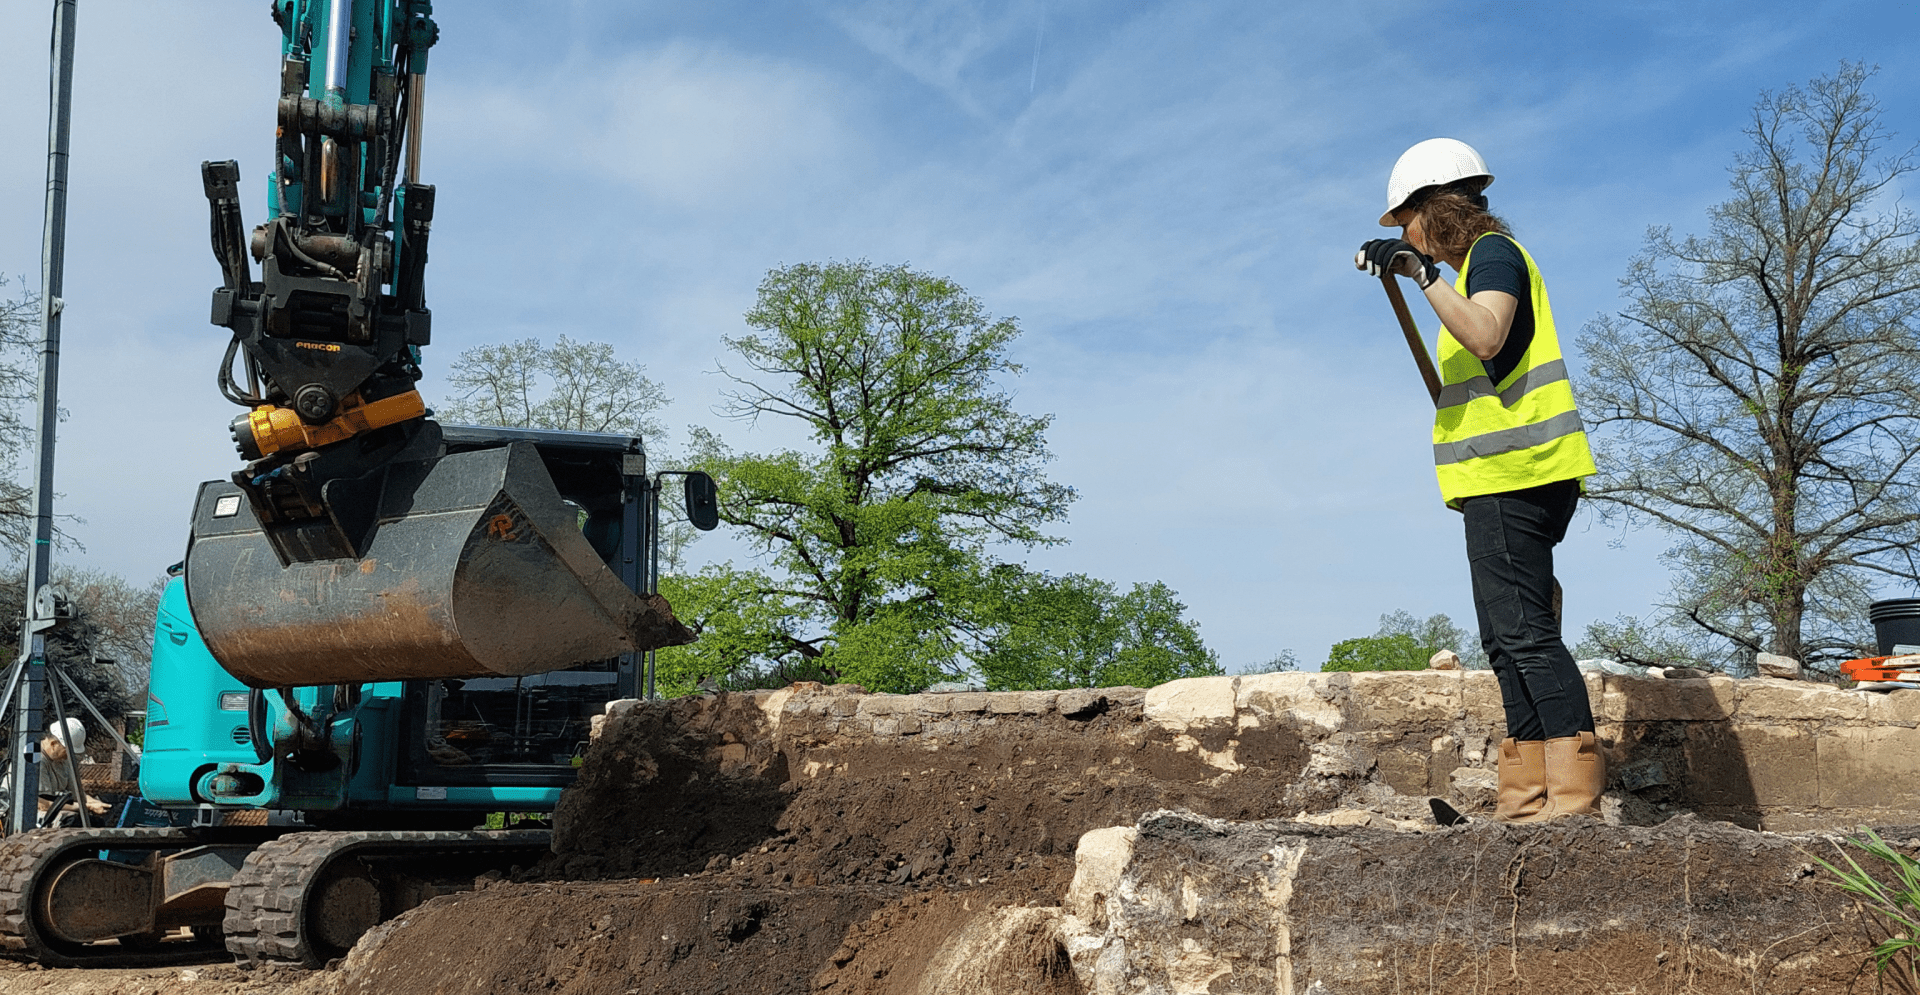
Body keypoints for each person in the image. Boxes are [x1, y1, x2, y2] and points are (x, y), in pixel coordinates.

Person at [1354, 138, 1604, 821]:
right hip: (1501, 476)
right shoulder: (1465, 272)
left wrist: (1422, 274)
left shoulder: (1492, 257)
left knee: (1525, 633)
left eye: (1404, 221)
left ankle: (1571, 802)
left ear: (1433, 209)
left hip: (1518, 473)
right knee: (1505, 637)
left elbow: (1489, 336)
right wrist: (1422, 275)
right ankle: (1526, 802)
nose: (1403, 235)